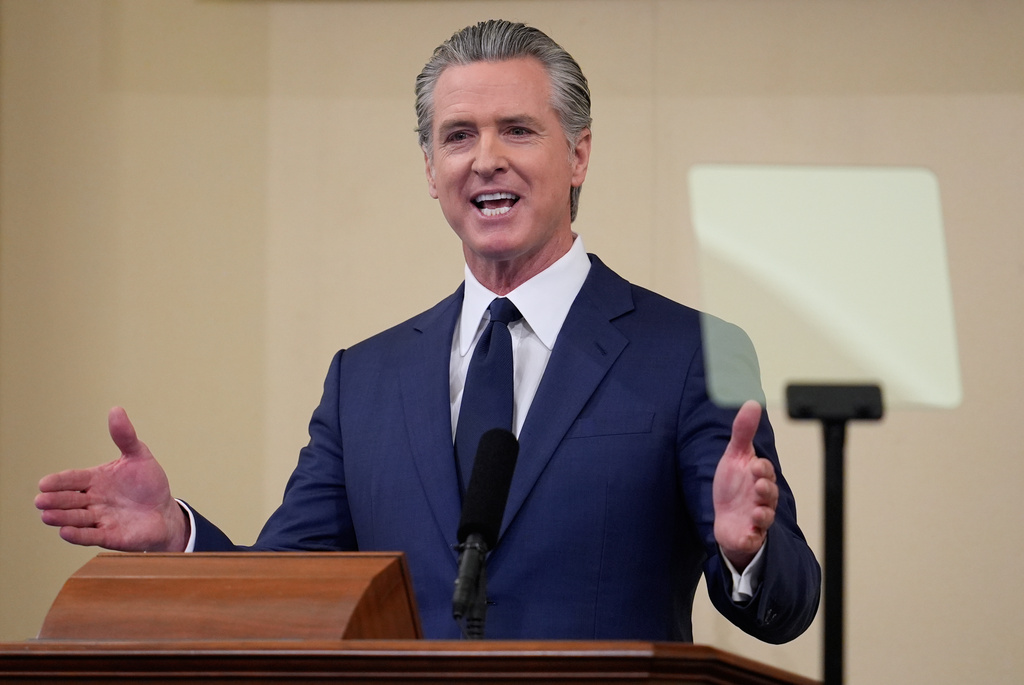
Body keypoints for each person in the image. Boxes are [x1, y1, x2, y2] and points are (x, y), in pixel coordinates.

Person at [36, 19, 820, 643]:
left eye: (518, 129)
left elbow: (785, 608)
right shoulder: (364, 380)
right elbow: (283, 592)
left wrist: (745, 549)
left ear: (578, 154)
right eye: (457, 135)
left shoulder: (688, 354)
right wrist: (179, 535)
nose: (485, 159)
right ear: (428, 169)